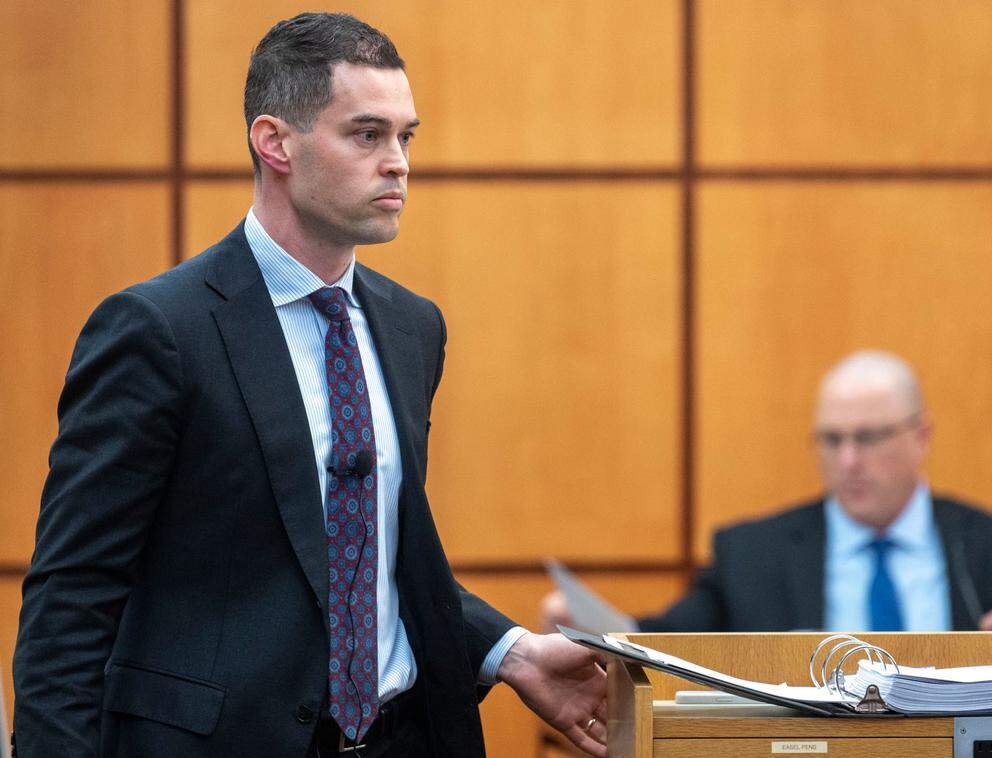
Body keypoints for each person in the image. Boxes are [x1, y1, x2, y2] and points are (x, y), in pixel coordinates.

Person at [14, 13, 606, 758]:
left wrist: (510, 651)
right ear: (275, 143)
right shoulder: (159, 330)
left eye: (406, 136)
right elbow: (72, 598)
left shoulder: (412, 327)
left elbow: (369, 556)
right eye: (367, 134)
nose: (397, 163)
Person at [542, 350, 992, 634]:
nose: (848, 460)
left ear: (921, 436)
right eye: (832, 440)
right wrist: (593, 630)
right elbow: (669, 644)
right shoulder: (752, 555)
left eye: (869, 437)